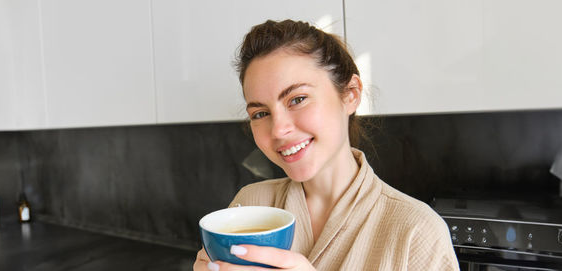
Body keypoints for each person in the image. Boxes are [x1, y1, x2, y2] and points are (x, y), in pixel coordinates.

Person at [194, 19, 459, 271]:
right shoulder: (250, 205)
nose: (278, 129)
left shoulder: (417, 232)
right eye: (260, 113)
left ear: (350, 95)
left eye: (297, 99)